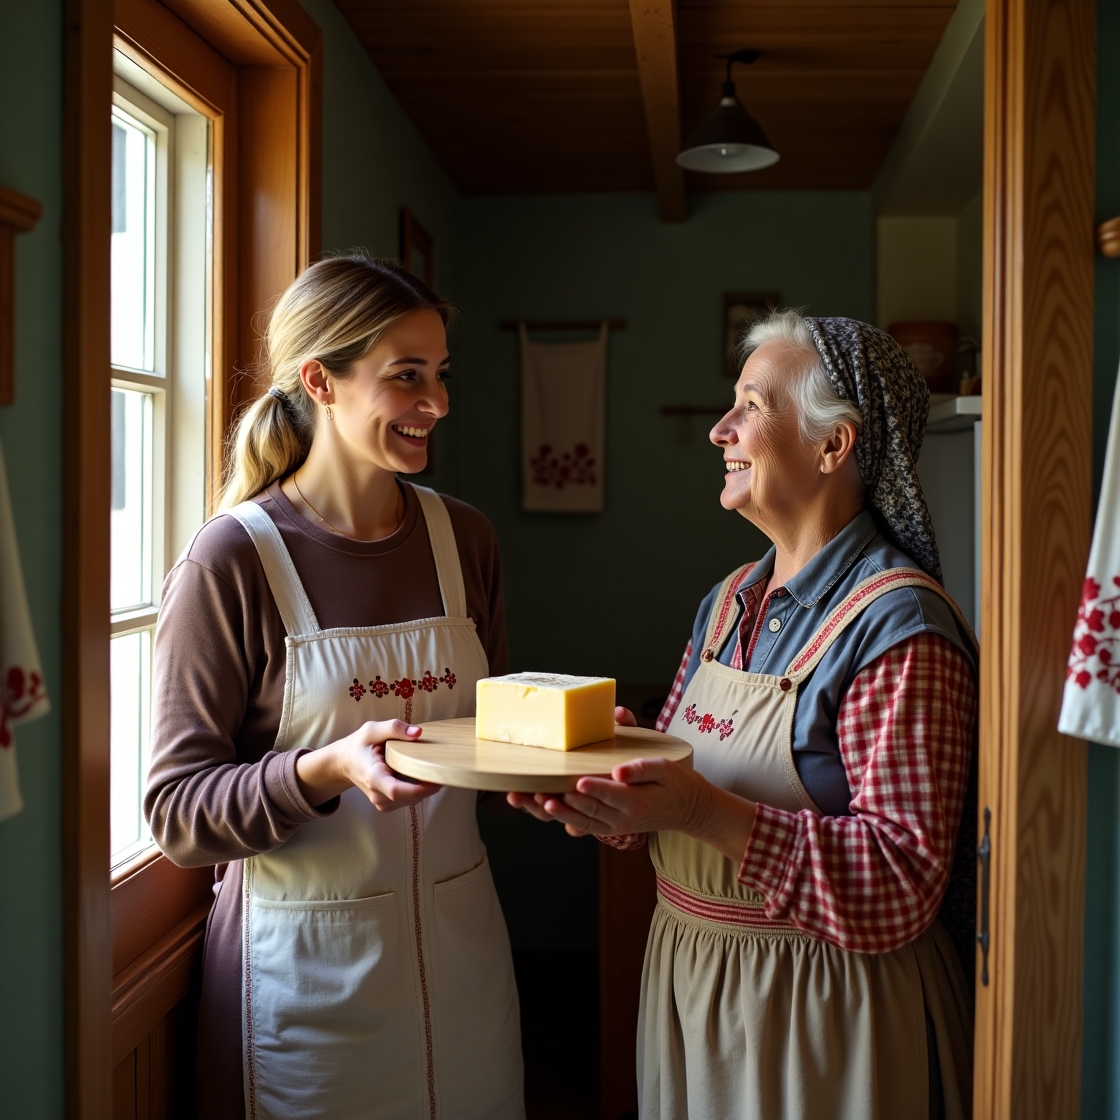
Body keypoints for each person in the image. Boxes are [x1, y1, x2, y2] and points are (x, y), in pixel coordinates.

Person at [512, 311, 977, 1120]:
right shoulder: (728, 601)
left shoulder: (898, 625)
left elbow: (902, 882)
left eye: (751, 407)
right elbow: (679, 800)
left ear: (833, 446)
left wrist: (696, 807)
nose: (719, 429)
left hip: (825, 1019)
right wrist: (615, 798)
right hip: (695, 992)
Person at [145, 255, 524, 1120]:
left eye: (441, 374)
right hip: (303, 986)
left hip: (464, 962)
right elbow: (177, 814)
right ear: (320, 381)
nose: (438, 403)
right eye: (407, 376)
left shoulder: (465, 539)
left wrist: (566, 762)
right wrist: (324, 770)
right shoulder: (231, 560)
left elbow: (491, 742)